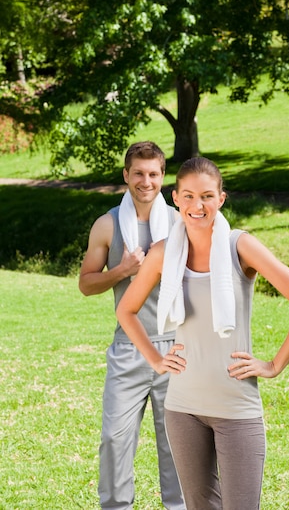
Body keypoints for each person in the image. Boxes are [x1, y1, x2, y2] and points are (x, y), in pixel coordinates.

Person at [116, 156, 289, 510]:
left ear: (221, 199)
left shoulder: (239, 246)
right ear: (176, 198)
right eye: (189, 196)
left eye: (208, 196)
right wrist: (155, 358)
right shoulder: (164, 253)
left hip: (236, 407)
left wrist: (273, 365)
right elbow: (126, 310)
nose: (198, 205)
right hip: (183, 408)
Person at [79, 141, 184, 510]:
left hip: (176, 348)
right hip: (129, 348)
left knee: (178, 446)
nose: (145, 181)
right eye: (138, 173)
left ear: (162, 176)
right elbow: (86, 283)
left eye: (153, 173)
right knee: (114, 440)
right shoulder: (107, 225)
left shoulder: (178, 223)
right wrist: (123, 270)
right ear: (126, 175)